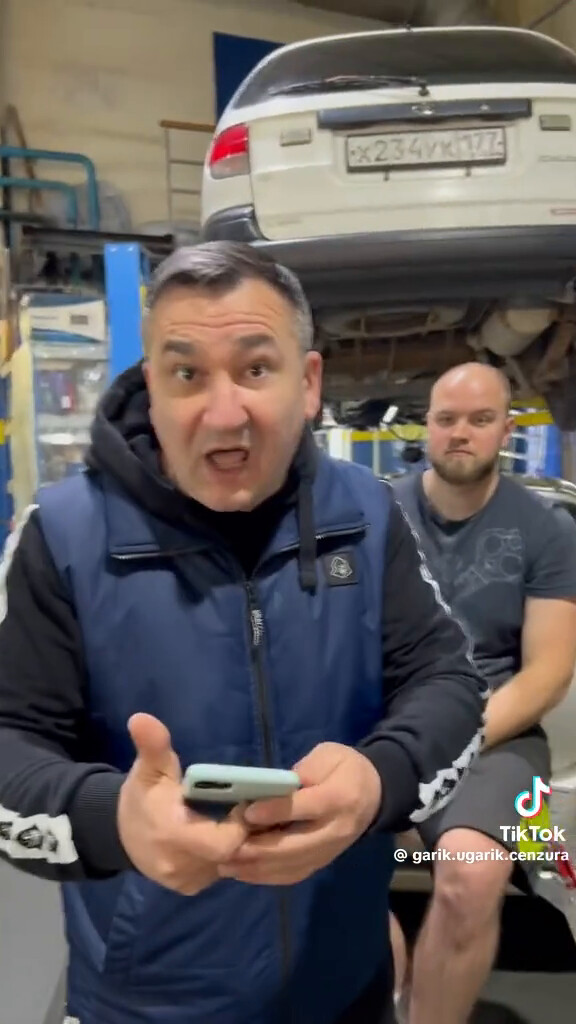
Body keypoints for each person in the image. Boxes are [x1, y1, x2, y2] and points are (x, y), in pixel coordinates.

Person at [0, 242, 486, 1024]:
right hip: (147, 1006)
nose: (224, 413)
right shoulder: (62, 537)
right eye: (187, 374)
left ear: (309, 383)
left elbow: (449, 682)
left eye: (256, 369)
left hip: (343, 990)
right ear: (151, 387)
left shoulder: (365, 515)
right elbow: (10, 742)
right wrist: (113, 819)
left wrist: (378, 779)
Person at [390, 362, 576, 1024]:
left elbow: (548, 673)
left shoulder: (547, 529)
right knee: (333, 874)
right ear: (428, 427)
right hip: (385, 730)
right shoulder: (377, 514)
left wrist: (449, 743)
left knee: (471, 873)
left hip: (501, 741)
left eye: (480, 419)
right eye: (446, 419)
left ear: (507, 429)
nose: (460, 433)